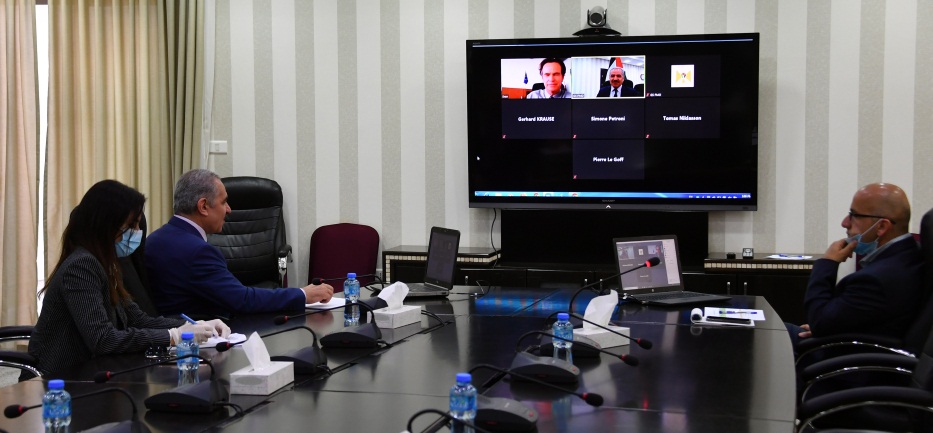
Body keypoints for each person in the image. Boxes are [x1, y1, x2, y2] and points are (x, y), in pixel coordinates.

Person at [28, 180, 229, 376]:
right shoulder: (82, 266)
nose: (137, 232)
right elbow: (103, 339)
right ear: (107, 225)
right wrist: (173, 337)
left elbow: (138, 319)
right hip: (62, 379)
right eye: (130, 225)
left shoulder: (107, 264)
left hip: (93, 372)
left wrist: (194, 326)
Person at [146, 169, 334, 317]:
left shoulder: (154, 239)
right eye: (224, 202)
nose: (229, 210)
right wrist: (303, 294)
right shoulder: (198, 252)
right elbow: (242, 300)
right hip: (199, 339)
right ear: (203, 206)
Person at [786, 183, 925, 349]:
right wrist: (832, 327)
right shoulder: (910, 255)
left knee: (759, 333)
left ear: (881, 226)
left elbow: (819, 323)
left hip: (848, 361)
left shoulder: (877, 278)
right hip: (853, 341)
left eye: (853, 215)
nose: (845, 223)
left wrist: (827, 263)